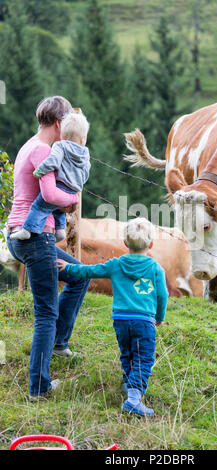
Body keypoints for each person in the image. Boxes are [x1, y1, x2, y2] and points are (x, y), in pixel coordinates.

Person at [6, 96, 91, 400]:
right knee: (45, 312)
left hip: (19, 235)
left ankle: (59, 342)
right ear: (58, 124)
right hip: (35, 237)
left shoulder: (29, 145)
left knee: (79, 276)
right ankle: (39, 387)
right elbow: (51, 194)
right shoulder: (44, 150)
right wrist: (73, 199)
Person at [55, 217, 169, 416]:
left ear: (124, 243)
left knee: (127, 353)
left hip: (121, 320)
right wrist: (159, 316)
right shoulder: (155, 268)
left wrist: (69, 267)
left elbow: (89, 271)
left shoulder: (115, 265)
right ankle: (133, 399)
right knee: (144, 358)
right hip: (144, 321)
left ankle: (128, 383)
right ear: (151, 244)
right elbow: (162, 295)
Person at [10, 112, 91, 242]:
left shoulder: (60, 145)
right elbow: (86, 171)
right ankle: (60, 230)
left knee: (39, 206)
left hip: (60, 185)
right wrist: (78, 185)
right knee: (57, 210)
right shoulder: (85, 153)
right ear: (83, 139)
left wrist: (40, 170)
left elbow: (53, 161)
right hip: (73, 188)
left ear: (63, 135)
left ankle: (26, 229)